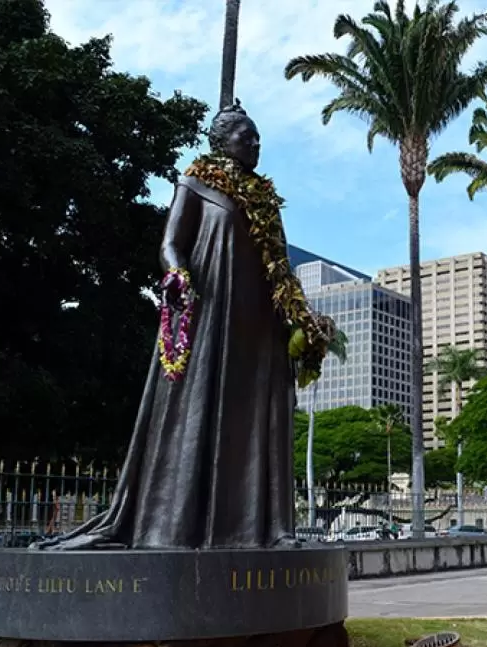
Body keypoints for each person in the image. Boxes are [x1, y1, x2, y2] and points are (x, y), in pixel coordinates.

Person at [37, 102, 332, 550]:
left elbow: (280, 269)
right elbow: (171, 245)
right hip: (211, 312)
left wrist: (302, 319)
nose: (254, 144)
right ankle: (178, 527)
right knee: (198, 409)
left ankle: (272, 529)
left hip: (258, 327)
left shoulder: (266, 201)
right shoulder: (195, 184)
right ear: (222, 142)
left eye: (257, 139)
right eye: (245, 136)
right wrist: (178, 277)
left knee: (259, 416)